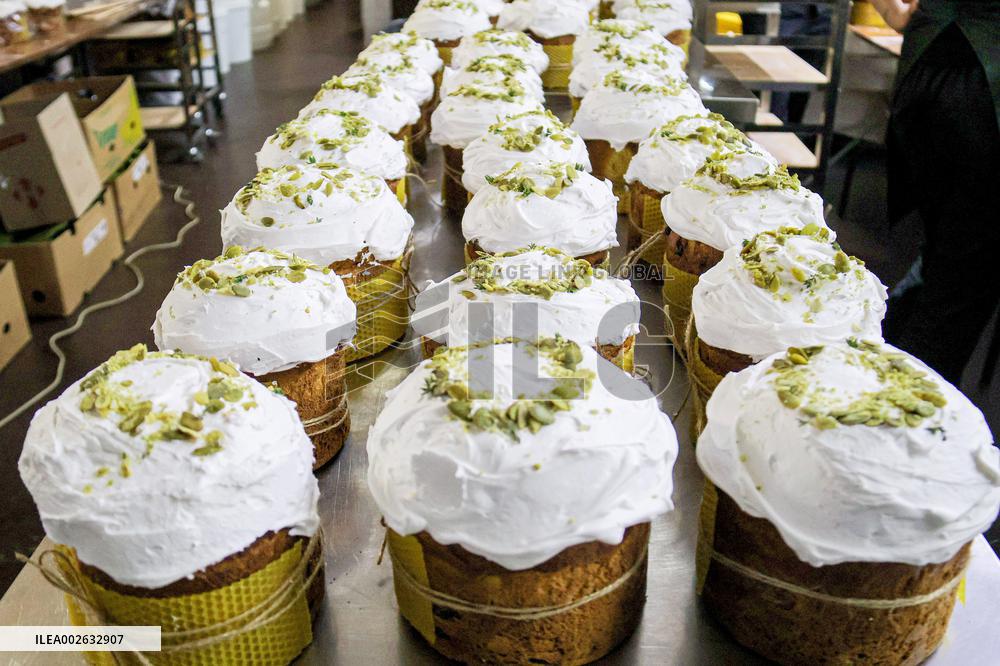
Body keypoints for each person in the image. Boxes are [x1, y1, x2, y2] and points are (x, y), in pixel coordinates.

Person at [872, 0, 999, 387]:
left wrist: (896, 12)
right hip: (985, 90)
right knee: (962, 277)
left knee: (941, 261)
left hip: (927, 65)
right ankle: (896, 405)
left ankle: (869, 377)